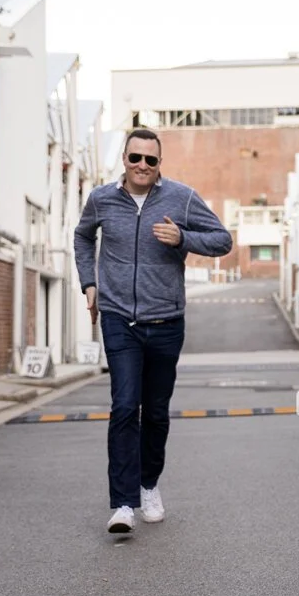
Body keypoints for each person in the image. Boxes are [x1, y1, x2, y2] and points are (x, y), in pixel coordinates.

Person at [74, 128, 232, 535]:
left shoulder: (182, 198)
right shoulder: (101, 199)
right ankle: (122, 503)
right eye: (135, 158)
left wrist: (183, 237)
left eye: (151, 160)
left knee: (156, 413)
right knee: (125, 406)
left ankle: (148, 485)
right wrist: (89, 284)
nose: (142, 166)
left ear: (159, 164)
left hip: (166, 321)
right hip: (118, 318)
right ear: (123, 160)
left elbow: (222, 240)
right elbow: (82, 236)